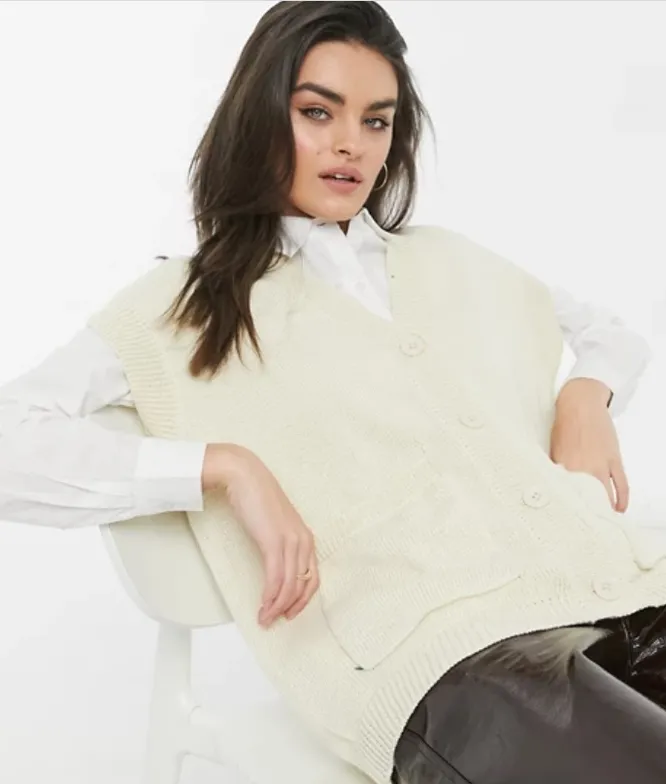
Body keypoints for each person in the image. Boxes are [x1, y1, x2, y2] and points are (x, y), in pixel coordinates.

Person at [1, 2, 665, 782]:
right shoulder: (180, 308)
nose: (352, 143)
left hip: (628, 583)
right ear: (258, 117)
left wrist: (586, 395)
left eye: (376, 121)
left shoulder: (450, 261)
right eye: (318, 112)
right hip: (459, 659)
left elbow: (610, 334)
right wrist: (224, 466)